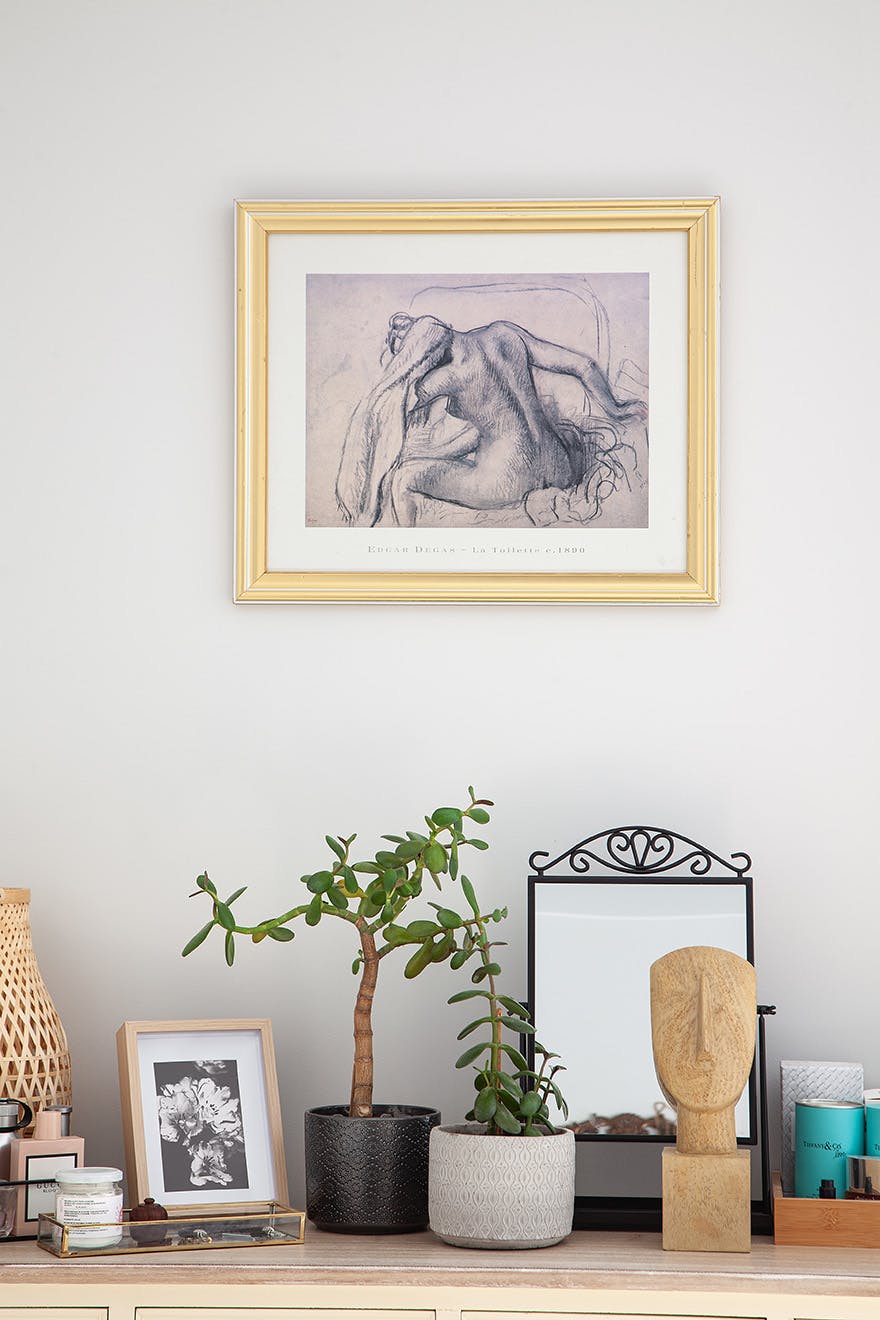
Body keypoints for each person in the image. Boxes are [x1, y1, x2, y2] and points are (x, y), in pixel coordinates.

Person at [335, 312, 647, 528]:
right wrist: (617, 409)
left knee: (403, 477)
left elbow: (387, 418)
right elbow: (585, 365)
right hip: (559, 465)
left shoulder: (443, 379)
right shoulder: (504, 334)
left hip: (508, 481)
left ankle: (407, 569)